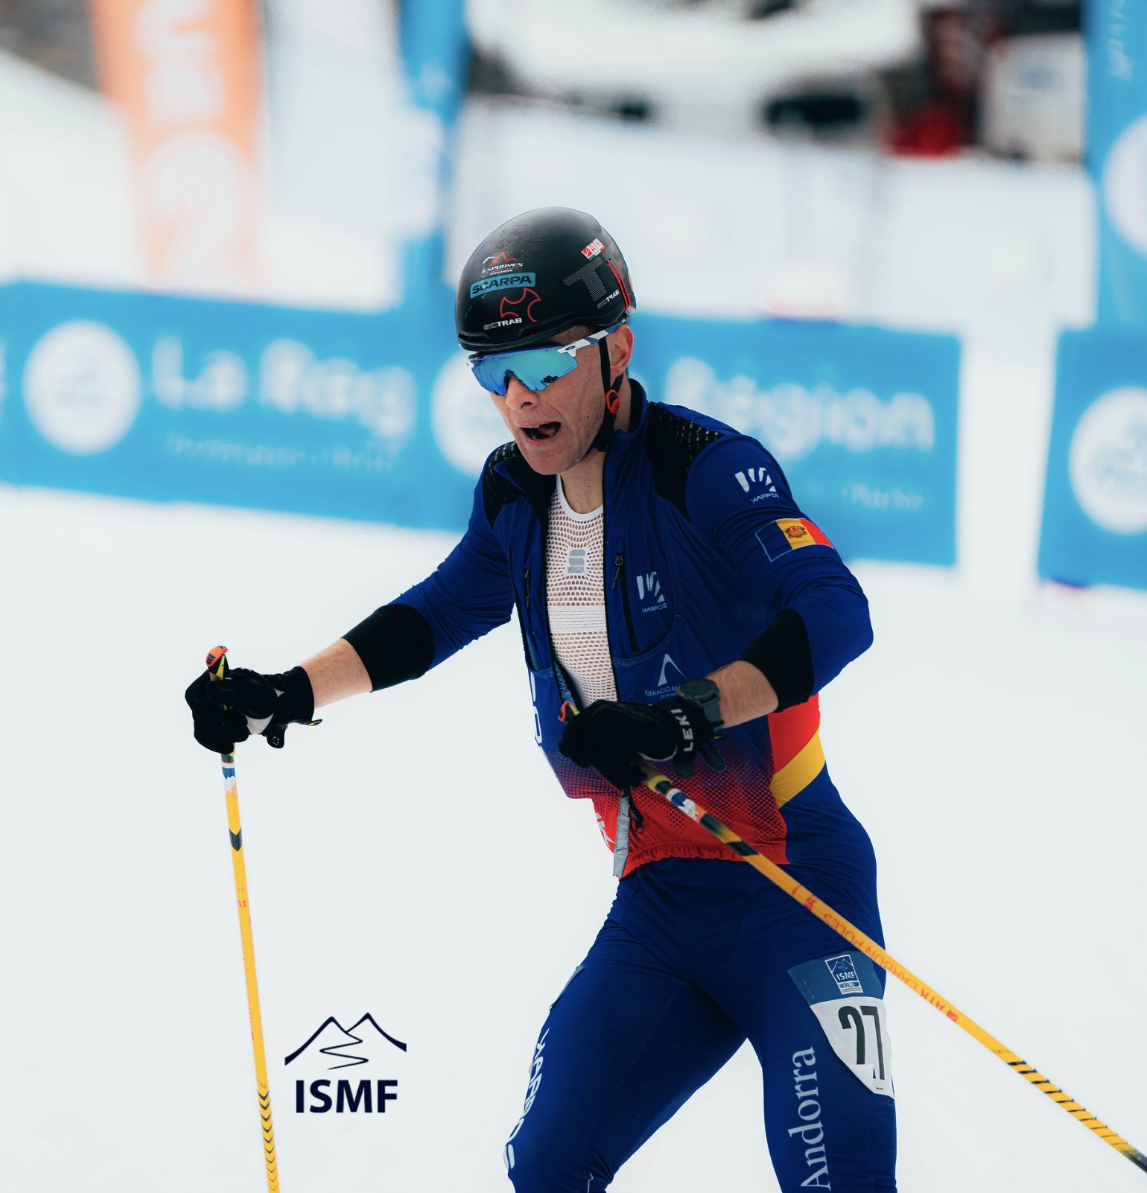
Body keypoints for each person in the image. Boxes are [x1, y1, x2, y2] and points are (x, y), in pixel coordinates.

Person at [186, 207, 897, 1192]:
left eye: (546, 361)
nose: (519, 396)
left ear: (617, 352)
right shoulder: (514, 495)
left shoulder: (706, 469)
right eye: (490, 370)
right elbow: (432, 616)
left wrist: (687, 710)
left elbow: (835, 608)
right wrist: (286, 691)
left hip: (797, 891)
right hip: (660, 903)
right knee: (549, 1164)